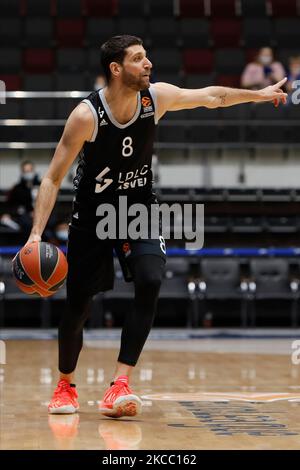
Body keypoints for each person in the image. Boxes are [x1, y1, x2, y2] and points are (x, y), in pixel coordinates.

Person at [26, 35, 287, 418]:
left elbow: (211, 96)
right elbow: (51, 179)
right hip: (93, 215)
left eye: (147, 56)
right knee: (79, 306)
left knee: (150, 279)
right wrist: (36, 234)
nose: (148, 64)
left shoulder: (156, 98)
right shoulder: (86, 115)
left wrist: (259, 95)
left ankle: (120, 384)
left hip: (139, 209)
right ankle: (66, 385)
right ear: (116, 69)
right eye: (138, 58)